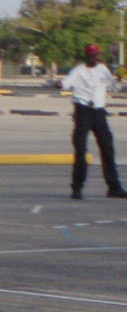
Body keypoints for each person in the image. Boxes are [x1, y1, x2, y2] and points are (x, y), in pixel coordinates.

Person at [56, 44, 127, 200]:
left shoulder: (103, 69)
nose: (95, 58)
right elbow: (65, 83)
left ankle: (114, 188)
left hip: (99, 113)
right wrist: (59, 84)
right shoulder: (78, 71)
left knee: (108, 149)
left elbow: (114, 87)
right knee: (81, 150)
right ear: (87, 56)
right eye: (92, 55)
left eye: (96, 55)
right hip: (83, 112)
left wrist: (120, 78)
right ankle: (77, 188)